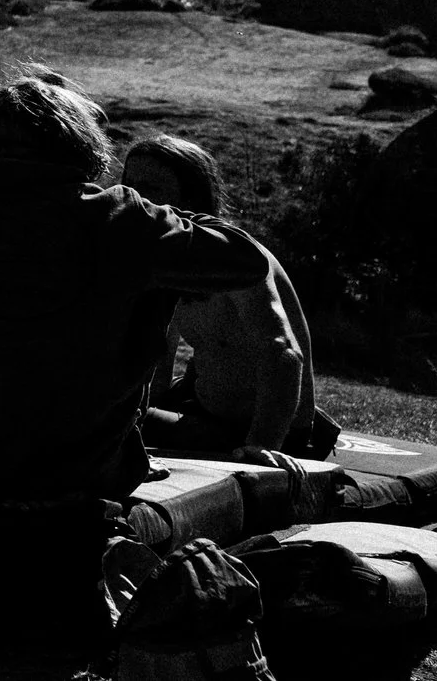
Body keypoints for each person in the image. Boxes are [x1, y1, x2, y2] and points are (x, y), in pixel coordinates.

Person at [0, 72, 272, 501]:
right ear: (78, 141)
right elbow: (246, 259)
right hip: (89, 469)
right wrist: (155, 216)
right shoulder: (120, 217)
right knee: (148, 268)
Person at [118, 134, 338, 460]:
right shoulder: (164, 256)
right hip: (204, 412)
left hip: (268, 431)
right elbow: (159, 357)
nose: (136, 197)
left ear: (190, 197)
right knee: (110, 413)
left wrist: (261, 446)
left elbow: (283, 353)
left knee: (101, 423)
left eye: (151, 188)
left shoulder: (234, 259)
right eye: (129, 185)